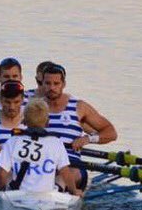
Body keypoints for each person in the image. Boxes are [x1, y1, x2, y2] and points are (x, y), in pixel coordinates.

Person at [40, 63, 117, 191]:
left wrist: (87, 139)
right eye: (47, 83)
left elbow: (111, 132)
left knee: (64, 175)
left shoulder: (79, 107)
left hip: (72, 164)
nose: (51, 87)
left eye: (56, 84)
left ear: (63, 84)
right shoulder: (35, 107)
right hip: (41, 162)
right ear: (42, 84)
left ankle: (56, 191)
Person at [0, 97, 80, 196]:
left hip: (17, 195)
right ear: (47, 122)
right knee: (60, 177)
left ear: (24, 121)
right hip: (48, 196)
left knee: (9, 174)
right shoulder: (56, 142)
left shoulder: (13, 140)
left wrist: (1, 191)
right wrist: (74, 191)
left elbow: (1, 174)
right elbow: (66, 173)